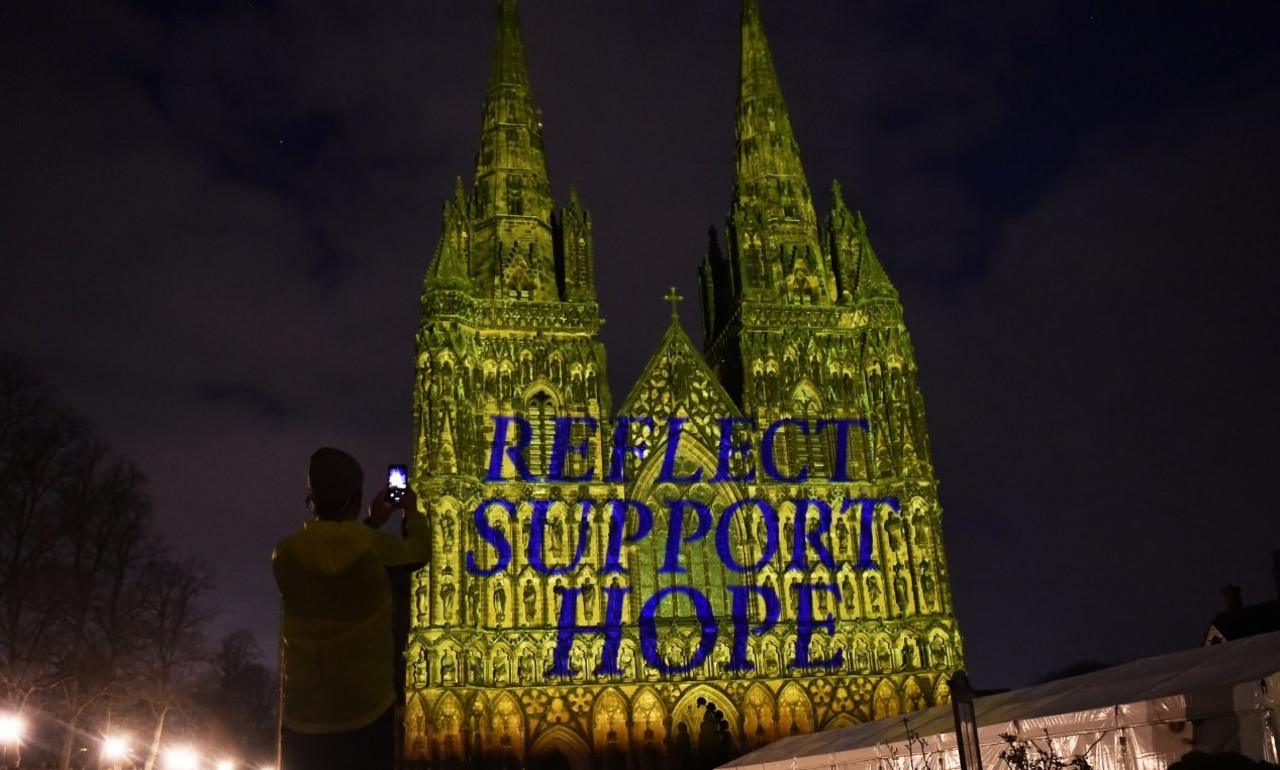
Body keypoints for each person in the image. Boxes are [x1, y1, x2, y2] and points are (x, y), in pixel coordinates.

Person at [273, 447, 430, 769]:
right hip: (366, 708)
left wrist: (369, 523)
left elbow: (335, 555)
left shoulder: (285, 554)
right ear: (355, 501)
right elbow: (419, 552)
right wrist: (409, 513)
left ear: (311, 497)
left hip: (304, 711)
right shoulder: (373, 550)